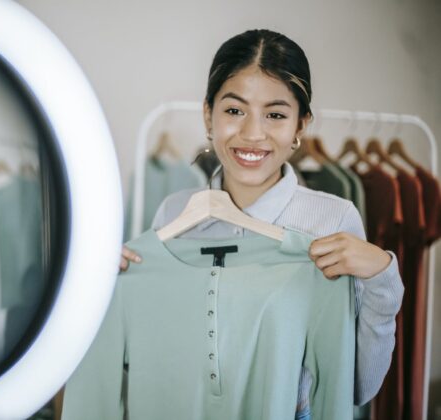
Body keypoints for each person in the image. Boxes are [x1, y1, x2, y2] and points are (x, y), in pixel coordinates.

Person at [118, 29, 403, 419]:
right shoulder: (174, 214)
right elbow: (152, 351)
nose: (253, 134)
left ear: (301, 125)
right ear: (208, 114)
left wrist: (382, 281)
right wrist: (110, 291)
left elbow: (355, 386)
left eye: (275, 114)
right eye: (234, 110)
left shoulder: (332, 221)